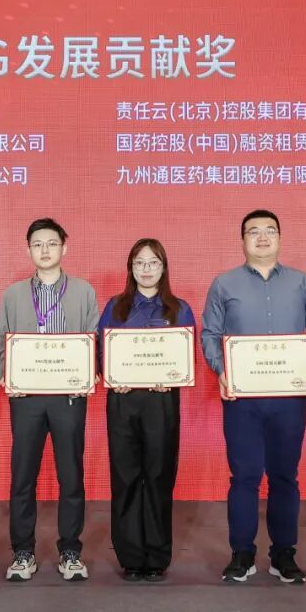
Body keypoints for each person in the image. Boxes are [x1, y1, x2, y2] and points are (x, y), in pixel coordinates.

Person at [201, 209, 306, 586]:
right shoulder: (224, 284)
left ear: (280, 238)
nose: (262, 237)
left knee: (284, 476)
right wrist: (222, 371)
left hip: (289, 397)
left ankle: (283, 554)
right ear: (242, 240)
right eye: (253, 231)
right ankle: (241, 554)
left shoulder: (301, 282)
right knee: (244, 476)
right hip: (242, 398)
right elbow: (210, 334)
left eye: (269, 230)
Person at [0, 218, 99, 583]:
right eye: (37, 244)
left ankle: (70, 551)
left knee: (71, 475)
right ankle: (22, 552)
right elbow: (1, 341)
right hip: (26, 397)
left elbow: (93, 340)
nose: (44, 250)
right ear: (28, 250)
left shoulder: (84, 292)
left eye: (51, 243)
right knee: (23, 475)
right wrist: (5, 375)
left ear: (64, 248)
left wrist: (89, 372)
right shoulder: (12, 295)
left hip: (68, 396)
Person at [96, 238, 195, 583]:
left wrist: (173, 377)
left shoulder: (179, 309)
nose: (146, 269)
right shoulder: (116, 307)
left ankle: (156, 555)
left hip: (161, 401)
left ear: (164, 267)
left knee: (158, 475)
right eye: (140, 263)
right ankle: (130, 557)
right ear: (131, 268)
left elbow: (187, 355)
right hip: (123, 400)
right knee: (125, 476)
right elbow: (100, 349)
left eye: (153, 263)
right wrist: (111, 375)